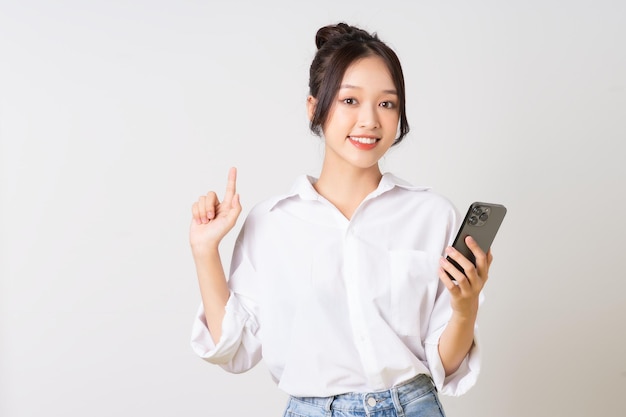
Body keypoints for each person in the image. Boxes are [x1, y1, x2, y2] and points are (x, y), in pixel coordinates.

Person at [189, 22, 493, 417]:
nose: (369, 120)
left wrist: (465, 308)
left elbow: (446, 366)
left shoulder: (432, 215)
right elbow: (234, 349)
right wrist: (204, 250)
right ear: (315, 108)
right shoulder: (272, 222)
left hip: (412, 405)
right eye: (350, 101)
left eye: (387, 103)